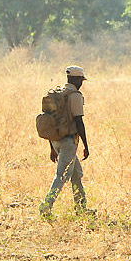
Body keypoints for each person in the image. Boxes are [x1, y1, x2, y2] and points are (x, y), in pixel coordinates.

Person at [40, 65, 95, 218]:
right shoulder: (75, 96)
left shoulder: (58, 94)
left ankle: (81, 208)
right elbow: (79, 121)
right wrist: (86, 145)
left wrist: (51, 147)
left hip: (56, 140)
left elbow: (50, 123)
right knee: (62, 176)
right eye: (81, 80)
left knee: (76, 174)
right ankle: (46, 207)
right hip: (69, 141)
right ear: (77, 79)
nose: (82, 83)